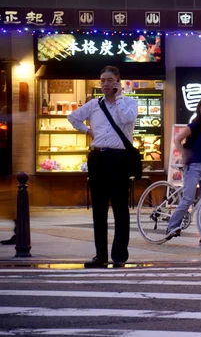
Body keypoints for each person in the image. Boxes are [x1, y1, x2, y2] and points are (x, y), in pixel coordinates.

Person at [68, 66, 137, 268]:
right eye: (102, 80)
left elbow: (128, 118)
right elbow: (72, 118)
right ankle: (100, 256)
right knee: (98, 210)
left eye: (110, 80)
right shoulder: (94, 104)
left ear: (118, 81)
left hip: (119, 159)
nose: (105, 84)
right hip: (97, 159)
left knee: (120, 209)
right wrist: (89, 131)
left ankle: (119, 256)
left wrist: (120, 96)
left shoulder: (130, 102)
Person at [166, 97, 201, 244]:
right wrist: (184, 153)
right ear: (199, 110)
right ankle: (172, 226)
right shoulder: (194, 125)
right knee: (188, 199)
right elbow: (178, 139)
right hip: (194, 166)